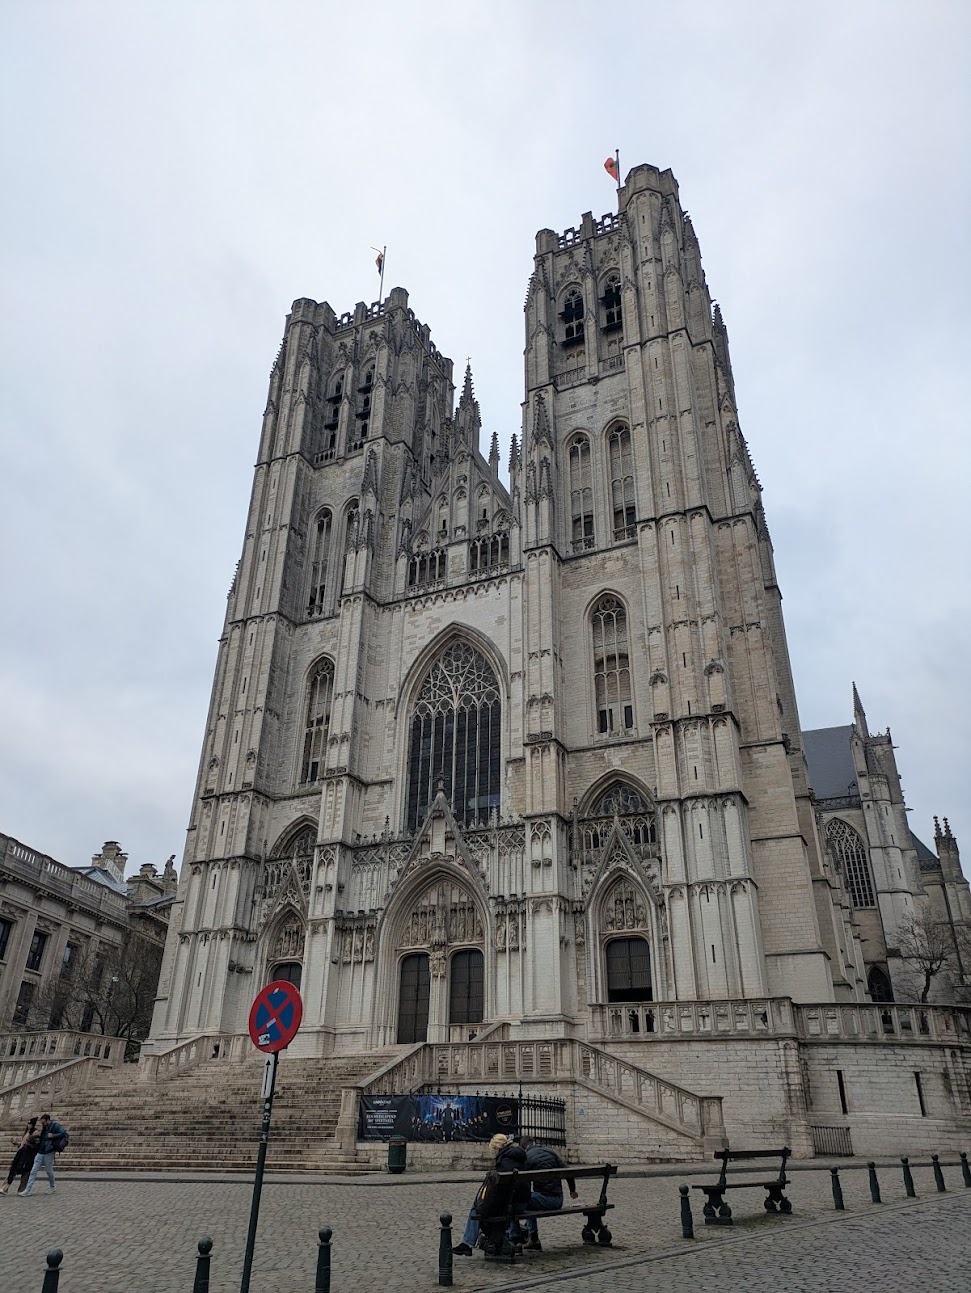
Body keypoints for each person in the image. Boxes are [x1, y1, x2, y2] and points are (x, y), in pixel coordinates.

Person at [452, 1132, 529, 1257]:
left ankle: (467, 1243)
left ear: (497, 1148)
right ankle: (469, 1243)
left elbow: (499, 1192)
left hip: (509, 1205)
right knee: (480, 1203)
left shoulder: (504, 1162)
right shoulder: (519, 1157)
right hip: (522, 1201)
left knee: (477, 1205)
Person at [517, 1135, 578, 1252]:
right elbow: (568, 1171)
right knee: (530, 1200)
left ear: (523, 1148)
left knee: (520, 1200)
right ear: (533, 1143)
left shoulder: (527, 1157)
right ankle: (533, 1238)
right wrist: (572, 1190)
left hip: (545, 1199)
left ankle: (522, 1238)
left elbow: (522, 1183)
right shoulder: (550, 1152)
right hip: (558, 1199)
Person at [20, 1113, 67, 1196]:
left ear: (48, 1120)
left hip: (49, 1152)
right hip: (40, 1152)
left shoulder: (55, 1125)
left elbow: (63, 1133)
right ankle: (28, 1189)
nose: (42, 1124)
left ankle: (52, 1186)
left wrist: (53, 1135)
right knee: (33, 1171)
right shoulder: (44, 1128)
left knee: (49, 1171)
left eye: (43, 1122)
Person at [1, 1117, 39, 1195]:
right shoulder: (26, 1132)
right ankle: (4, 1187)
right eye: (28, 1124)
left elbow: (34, 1145)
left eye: (30, 1124)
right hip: (21, 1153)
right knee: (13, 1170)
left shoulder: (35, 1133)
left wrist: (27, 1144)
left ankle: (22, 1189)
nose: (28, 1126)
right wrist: (17, 1144)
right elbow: (23, 1145)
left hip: (29, 1155)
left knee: (26, 1172)